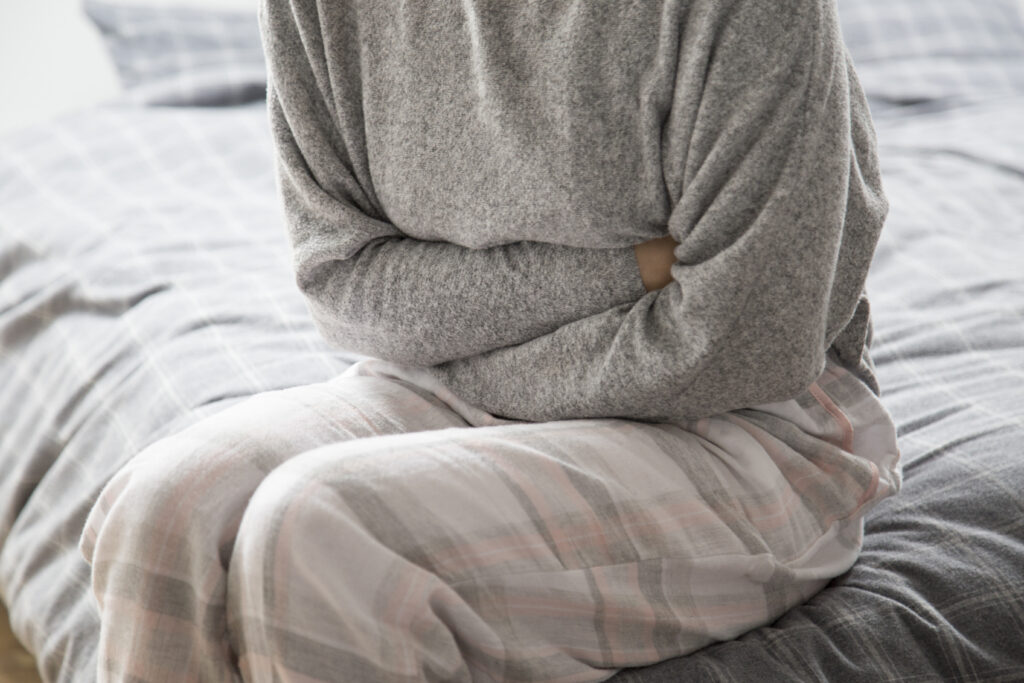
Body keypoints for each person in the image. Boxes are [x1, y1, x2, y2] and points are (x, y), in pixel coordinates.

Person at [79, 0, 903, 681]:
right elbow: (342, 283)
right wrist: (637, 271)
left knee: (317, 534)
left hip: (750, 426)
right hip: (452, 384)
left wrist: (471, 343)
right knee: (168, 509)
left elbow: (743, 336)